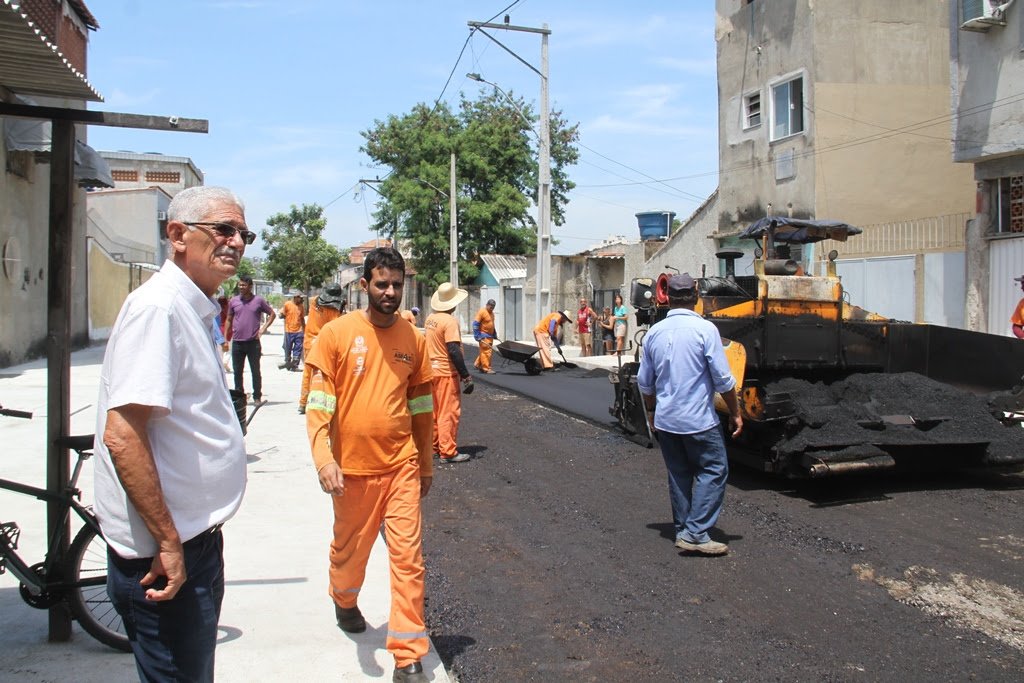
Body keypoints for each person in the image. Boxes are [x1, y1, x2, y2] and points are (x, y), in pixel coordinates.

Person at [93, 186, 251, 681]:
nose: (237, 242)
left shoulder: (194, 307)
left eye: (243, 232)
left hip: (191, 544)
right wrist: (167, 543)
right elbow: (123, 434)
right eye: (223, 229)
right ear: (177, 234)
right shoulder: (159, 309)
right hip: (165, 557)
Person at [304, 247, 434, 683]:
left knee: (408, 559)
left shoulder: (414, 340)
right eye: (382, 284)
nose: (390, 292)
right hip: (351, 472)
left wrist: (427, 464)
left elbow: (421, 407)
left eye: (397, 285)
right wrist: (323, 458)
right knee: (350, 553)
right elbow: (319, 404)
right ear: (364, 286)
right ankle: (344, 598)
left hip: (401, 466)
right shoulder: (337, 335)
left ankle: (408, 654)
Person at [636, 273, 743, 557]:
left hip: (667, 420)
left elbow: (645, 382)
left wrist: (650, 411)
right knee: (714, 470)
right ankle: (696, 532)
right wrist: (735, 412)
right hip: (698, 420)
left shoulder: (654, 333)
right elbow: (723, 380)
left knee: (679, 473)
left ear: (667, 297)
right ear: (696, 295)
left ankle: (684, 529)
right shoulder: (705, 330)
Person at [425, 282, 474, 463]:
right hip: (446, 373)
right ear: (452, 303)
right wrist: (465, 375)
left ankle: (436, 446)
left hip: (431, 371)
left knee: (435, 413)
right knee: (449, 412)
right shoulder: (450, 321)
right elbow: (453, 350)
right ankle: (448, 452)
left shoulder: (431, 318)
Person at [226, 275, 276, 406]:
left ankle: (257, 397)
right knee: (237, 372)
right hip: (237, 342)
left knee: (255, 370)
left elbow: (272, 314)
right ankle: (239, 397)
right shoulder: (234, 301)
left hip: (253, 343)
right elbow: (229, 319)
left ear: (250, 287)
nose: (241, 287)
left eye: (244, 285)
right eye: (240, 285)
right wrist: (226, 339)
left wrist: (263, 329)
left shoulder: (258, 301)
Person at [297, 283, 345, 414]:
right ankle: (324, 405)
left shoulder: (314, 301)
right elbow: (337, 326)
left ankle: (302, 403)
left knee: (307, 374)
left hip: (309, 342)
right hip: (324, 343)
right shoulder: (334, 309)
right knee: (324, 374)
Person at [279, 293, 306, 371]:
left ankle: (294, 366)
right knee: (287, 348)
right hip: (288, 330)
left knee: (298, 349)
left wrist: (305, 330)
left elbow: (302, 318)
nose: (301, 300)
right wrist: (281, 315)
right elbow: (282, 314)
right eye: (300, 298)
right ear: (295, 298)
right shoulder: (288, 304)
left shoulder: (301, 307)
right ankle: (288, 363)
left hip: (299, 331)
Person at [472, 299, 497, 374]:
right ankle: (486, 368)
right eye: (491, 306)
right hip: (483, 336)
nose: (492, 308)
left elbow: (491, 324)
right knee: (486, 352)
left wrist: (494, 333)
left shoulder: (492, 313)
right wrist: (477, 335)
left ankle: (478, 364)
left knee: (484, 351)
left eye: (493, 307)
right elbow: (475, 324)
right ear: (487, 305)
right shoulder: (482, 312)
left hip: (489, 336)